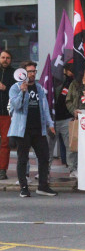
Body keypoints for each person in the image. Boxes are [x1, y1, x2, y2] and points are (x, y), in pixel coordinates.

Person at [8, 61, 57, 197]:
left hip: (38, 128)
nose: (32, 74)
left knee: (44, 157)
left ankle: (43, 186)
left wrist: (50, 124)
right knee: (23, 159)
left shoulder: (39, 88)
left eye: (34, 71)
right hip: (22, 130)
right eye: (29, 71)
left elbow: (45, 107)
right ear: (23, 73)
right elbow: (16, 106)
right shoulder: (15, 88)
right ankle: (24, 187)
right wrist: (23, 92)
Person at [50, 63, 74, 175]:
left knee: (70, 146)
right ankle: (45, 170)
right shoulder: (50, 81)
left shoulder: (72, 82)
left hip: (66, 118)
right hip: (52, 119)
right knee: (49, 147)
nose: (71, 72)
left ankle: (72, 169)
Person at [0, 50, 15, 180]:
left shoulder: (14, 74)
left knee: (6, 142)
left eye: (8, 58)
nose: (5, 60)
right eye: (3, 57)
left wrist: (5, 88)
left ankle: (2, 170)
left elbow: (17, 90)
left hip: (7, 114)